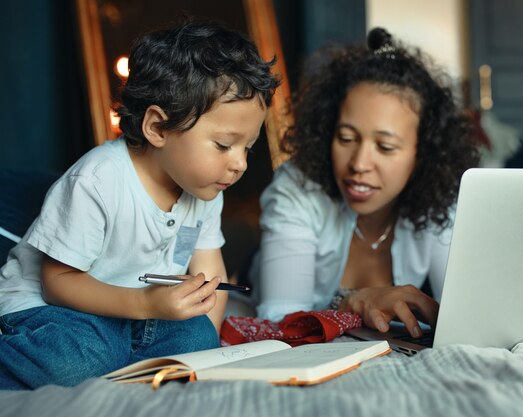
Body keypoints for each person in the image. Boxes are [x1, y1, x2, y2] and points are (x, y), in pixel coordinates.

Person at [0, 20, 279, 390]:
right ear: (158, 128)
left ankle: (122, 358)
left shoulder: (207, 189)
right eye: (225, 145)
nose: (239, 163)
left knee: (195, 338)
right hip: (59, 308)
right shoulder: (98, 181)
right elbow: (57, 283)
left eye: (247, 147)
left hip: (144, 312)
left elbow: (211, 277)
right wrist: (146, 306)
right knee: (79, 357)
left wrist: (203, 350)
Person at [247, 27, 478, 338]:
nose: (358, 163)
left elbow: (464, 314)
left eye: (385, 147)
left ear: (422, 154)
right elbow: (277, 317)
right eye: (346, 138)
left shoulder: (439, 200)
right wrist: (350, 305)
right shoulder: (298, 189)